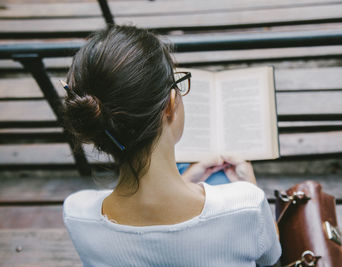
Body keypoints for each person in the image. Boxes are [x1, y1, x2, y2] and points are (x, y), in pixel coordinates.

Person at [62, 24, 281, 267]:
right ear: (170, 104)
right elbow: (272, 257)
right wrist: (248, 185)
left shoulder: (77, 214)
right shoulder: (245, 204)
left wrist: (187, 178)